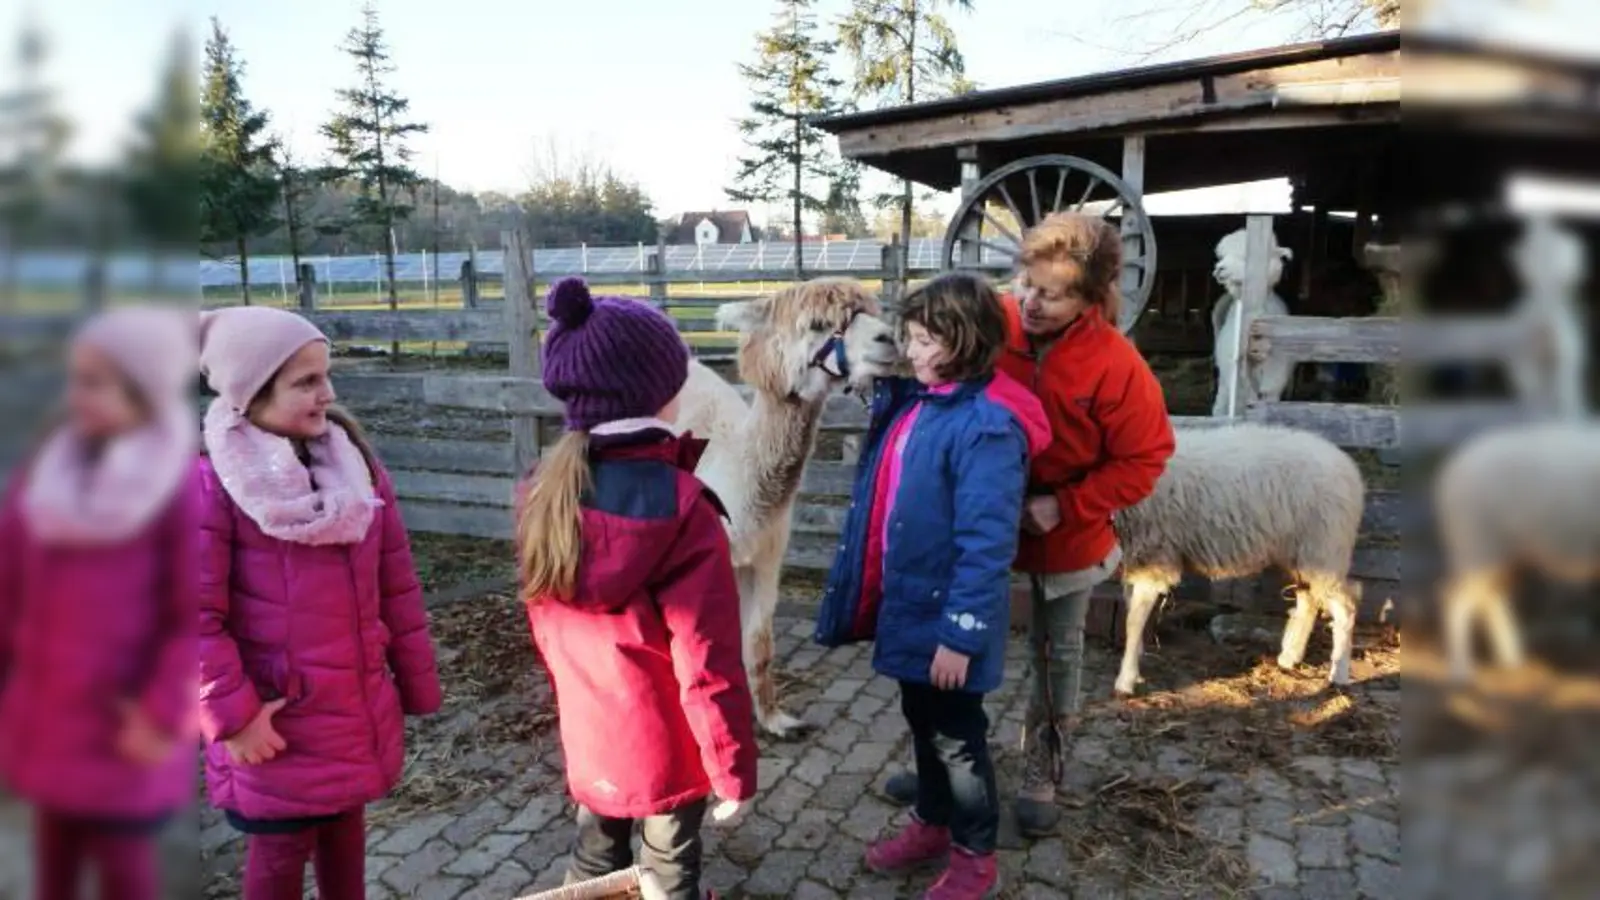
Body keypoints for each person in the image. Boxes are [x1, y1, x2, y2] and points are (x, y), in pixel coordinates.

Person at [880, 213, 1176, 838]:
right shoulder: (994, 323)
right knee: (946, 643)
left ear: (1089, 298)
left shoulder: (1116, 366)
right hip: (970, 521)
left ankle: (1043, 766)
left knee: (1054, 654)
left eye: (1053, 294)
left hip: (1060, 531)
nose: (1030, 302)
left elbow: (1145, 458)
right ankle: (942, 767)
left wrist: (1065, 504)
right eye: (1026, 283)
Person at [516, 277, 758, 900]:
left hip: (592, 730)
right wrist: (731, 768)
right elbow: (708, 661)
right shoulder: (685, 509)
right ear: (662, 393)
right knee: (668, 867)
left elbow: (549, 630)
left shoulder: (544, 492)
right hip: (669, 747)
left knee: (595, 854)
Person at [815, 272, 1051, 899]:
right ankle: (932, 821)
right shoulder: (924, 402)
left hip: (947, 619)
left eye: (923, 341)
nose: (911, 351)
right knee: (922, 720)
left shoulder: (986, 430)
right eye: (912, 338)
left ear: (962, 342)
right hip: (912, 603)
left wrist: (961, 636)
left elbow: (987, 545)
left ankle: (975, 855)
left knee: (959, 740)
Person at [195, 305, 443, 900]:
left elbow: (397, 586)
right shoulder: (213, 489)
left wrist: (414, 684)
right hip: (275, 725)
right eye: (306, 382)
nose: (327, 394)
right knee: (279, 860)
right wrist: (234, 719)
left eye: (326, 376)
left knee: (344, 837)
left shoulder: (354, 472)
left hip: (351, 711)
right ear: (251, 392)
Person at [0, 307, 198, 900]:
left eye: (94, 382)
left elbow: (192, 620)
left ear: (144, 391)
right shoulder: (47, 472)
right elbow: (8, 589)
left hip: (126, 730)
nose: (75, 396)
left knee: (124, 869)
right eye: (75, 379)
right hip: (46, 719)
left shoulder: (175, 489)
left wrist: (160, 714)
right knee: (54, 862)